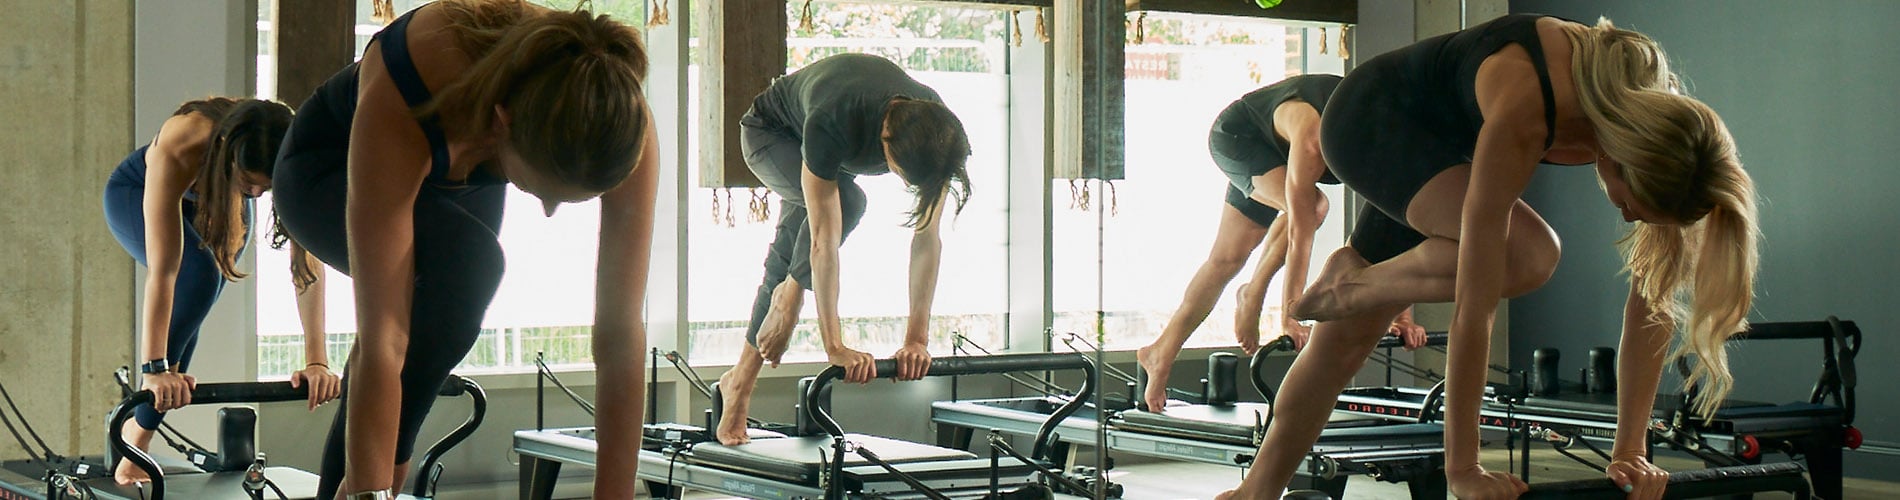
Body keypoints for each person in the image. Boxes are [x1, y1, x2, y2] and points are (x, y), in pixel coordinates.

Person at [1219, 15, 1757, 500]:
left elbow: (1652, 303)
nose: (1630, 219)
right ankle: (1355, 284)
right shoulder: (1530, 105)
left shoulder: (1667, 132)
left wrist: (1630, 451)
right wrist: (1464, 468)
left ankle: (1256, 492)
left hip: (1444, 142)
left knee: (1346, 341)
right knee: (1529, 256)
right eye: (1637, 206)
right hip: (1372, 117)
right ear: (1625, 158)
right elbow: (1474, 306)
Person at [269, 1, 658, 498]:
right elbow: (383, 336)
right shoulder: (423, 67)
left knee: (455, 296)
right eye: (544, 192)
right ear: (502, 122)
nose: (548, 211)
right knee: (465, 266)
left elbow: (620, 336)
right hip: (326, 166)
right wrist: (370, 489)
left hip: (460, 173)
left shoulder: (622, 127)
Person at [712, 53, 972, 445]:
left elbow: (926, 239)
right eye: (903, 176)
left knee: (790, 255)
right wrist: (833, 345)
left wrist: (917, 339)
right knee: (847, 205)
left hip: (825, 143)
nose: (906, 186)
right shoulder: (835, 119)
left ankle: (739, 383)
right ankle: (768, 334)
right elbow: (823, 243)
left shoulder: (938, 133)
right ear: (886, 140)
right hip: (772, 134)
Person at [1134, 75, 1426, 412]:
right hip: (1240, 137)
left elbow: (1394, 231)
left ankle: (1159, 352)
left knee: (1225, 260)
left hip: (1277, 151)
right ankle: (1253, 291)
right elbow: (1301, 229)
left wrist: (1403, 317)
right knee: (1312, 207)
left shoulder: (1393, 151)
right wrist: (1290, 314)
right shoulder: (1313, 135)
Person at [102, 97, 341, 485]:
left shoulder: (296, 157)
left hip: (216, 195)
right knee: (199, 278)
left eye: (266, 188)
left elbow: (306, 265)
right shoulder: (184, 141)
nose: (258, 195)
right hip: (135, 192)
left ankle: (139, 432)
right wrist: (154, 371)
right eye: (250, 183)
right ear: (229, 155)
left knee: (205, 287)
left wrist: (317, 361)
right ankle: (136, 440)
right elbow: (165, 272)